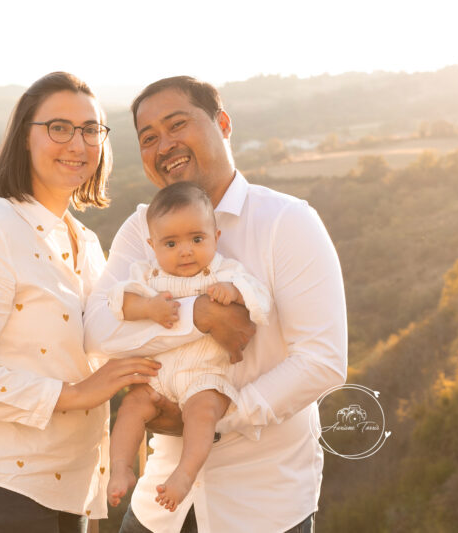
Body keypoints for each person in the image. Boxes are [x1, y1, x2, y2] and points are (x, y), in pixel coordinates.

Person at [84, 76, 347, 533]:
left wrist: (220, 413)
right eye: (149, 138)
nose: (164, 145)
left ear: (222, 123)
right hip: (157, 511)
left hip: (263, 508)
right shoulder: (140, 231)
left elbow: (323, 361)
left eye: (177, 124)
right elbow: (97, 331)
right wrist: (197, 315)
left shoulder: (288, 222)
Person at [0, 72, 161, 533]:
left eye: (91, 130)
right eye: (59, 128)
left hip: (73, 490)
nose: (78, 143)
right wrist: (72, 395)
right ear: (23, 139)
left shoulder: (87, 244)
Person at [106, 182, 270, 512]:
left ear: (216, 237)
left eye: (197, 239)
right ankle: (121, 467)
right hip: (156, 375)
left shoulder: (225, 271)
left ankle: (184, 472)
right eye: (171, 243)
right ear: (152, 245)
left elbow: (261, 300)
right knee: (131, 407)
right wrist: (147, 308)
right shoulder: (146, 273)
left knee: (203, 413)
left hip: (203, 375)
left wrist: (235, 292)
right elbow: (118, 302)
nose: (186, 251)